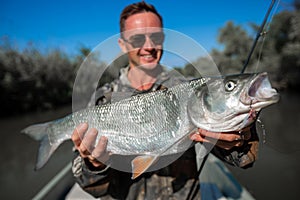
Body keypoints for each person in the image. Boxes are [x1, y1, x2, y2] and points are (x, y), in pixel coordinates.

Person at [70, 1, 258, 199]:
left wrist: (240, 137)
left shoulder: (190, 91)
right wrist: (94, 163)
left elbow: (243, 159)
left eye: (156, 37)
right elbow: (89, 184)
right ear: (122, 45)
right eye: (137, 38)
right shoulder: (102, 99)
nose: (149, 46)